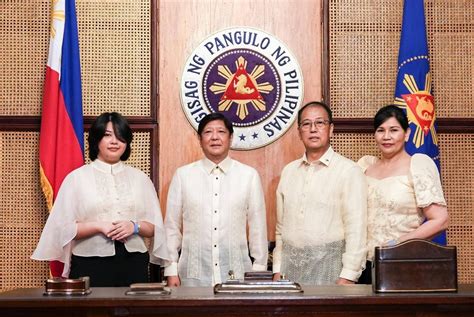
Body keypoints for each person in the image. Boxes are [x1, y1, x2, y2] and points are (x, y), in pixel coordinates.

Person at [32, 112, 169, 287]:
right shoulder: (76, 178)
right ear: (96, 140)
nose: (114, 142)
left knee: (133, 314)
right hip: (90, 263)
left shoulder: (141, 179)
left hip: (134, 262)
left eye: (120, 137)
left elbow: (154, 227)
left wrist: (134, 226)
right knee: (92, 314)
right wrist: (98, 226)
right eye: (107, 135)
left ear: (127, 143)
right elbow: (62, 229)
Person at [164, 112, 268, 287]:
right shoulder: (183, 175)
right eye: (208, 132)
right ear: (199, 138)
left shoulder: (248, 176)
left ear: (231, 137)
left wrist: (258, 271)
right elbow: (171, 226)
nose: (214, 137)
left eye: (221, 131)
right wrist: (171, 270)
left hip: (238, 276)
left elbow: (258, 226)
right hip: (191, 277)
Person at [272, 101, 367, 285]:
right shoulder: (289, 171)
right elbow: (280, 229)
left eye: (320, 123)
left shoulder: (349, 171)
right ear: (299, 132)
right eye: (306, 124)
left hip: (331, 270)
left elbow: (357, 228)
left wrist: (348, 275)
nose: (313, 129)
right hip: (289, 273)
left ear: (331, 129)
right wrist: (277, 270)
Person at [357, 105, 448, 284]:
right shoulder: (365, 166)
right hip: (362, 265)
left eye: (394, 130)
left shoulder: (418, 165)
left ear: (406, 134)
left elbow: (441, 220)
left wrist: (397, 244)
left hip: (401, 262)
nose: (386, 136)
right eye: (380, 130)